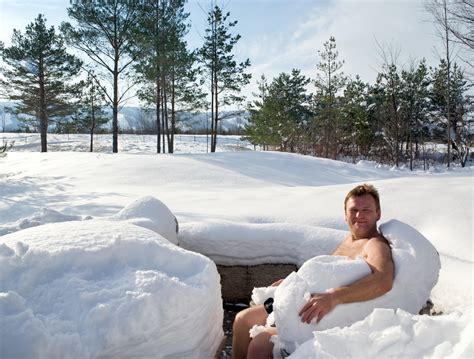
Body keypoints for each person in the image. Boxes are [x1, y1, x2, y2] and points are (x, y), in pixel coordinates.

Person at [232, 184, 394, 359]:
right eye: (353, 210)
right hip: (303, 300)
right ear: (345, 214)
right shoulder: (350, 240)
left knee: (259, 344)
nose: (359, 216)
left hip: (317, 313)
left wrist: (334, 297)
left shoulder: (375, 245)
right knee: (242, 320)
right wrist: (288, 283)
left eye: (366, 210)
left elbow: (383, 280)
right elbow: (326, 273)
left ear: (378, 213)